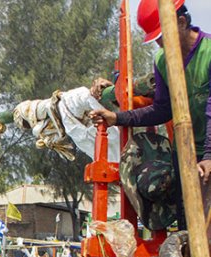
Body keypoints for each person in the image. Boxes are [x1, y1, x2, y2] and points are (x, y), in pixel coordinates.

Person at [89, 0, 211, 231]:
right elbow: (162, 109)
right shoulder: (162, 62)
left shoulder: (209, 51)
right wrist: (118, 118)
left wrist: (209, 154)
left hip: (208, 151)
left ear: (182, 22)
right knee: (189, 228)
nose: (160, 45)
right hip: (185, 153)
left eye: (162, 37)